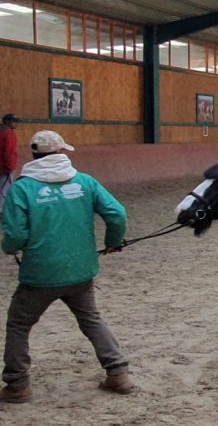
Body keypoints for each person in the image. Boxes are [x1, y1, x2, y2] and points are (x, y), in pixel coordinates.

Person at [1, 130, 132, 403]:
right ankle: (118, 372)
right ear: (61, 152)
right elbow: (117, 214)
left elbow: (15, 235)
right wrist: (112, 242)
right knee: (91, 319)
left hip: (40, 274)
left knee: (19, 325)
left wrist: (10, 247)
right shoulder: (85, 181)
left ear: (34, 154)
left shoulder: (22, 189)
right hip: (80, 269)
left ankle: (17, 384)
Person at [0, 113, 18, 215]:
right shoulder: (9, 133)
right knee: (4, 190)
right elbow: (9, 152)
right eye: (14, 121)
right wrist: (10, 167)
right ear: (7, 121)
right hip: (5, 167)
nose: (16, 123)